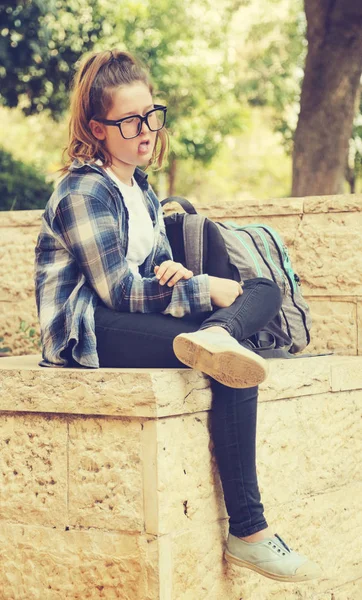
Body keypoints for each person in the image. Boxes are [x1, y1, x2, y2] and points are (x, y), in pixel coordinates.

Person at [34, 49, 321, 582]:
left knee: (260, 288)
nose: (146, 131)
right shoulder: (82, 191)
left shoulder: (140, 187)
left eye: (152, 116)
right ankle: (250, 532)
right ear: (98, 128)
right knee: (229, 346)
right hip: (86, 329)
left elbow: (151, 269)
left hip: (128, 314)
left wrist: (178, 274)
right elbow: (117, 290)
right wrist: (201, 291)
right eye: (129, 122)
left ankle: (219, 337)